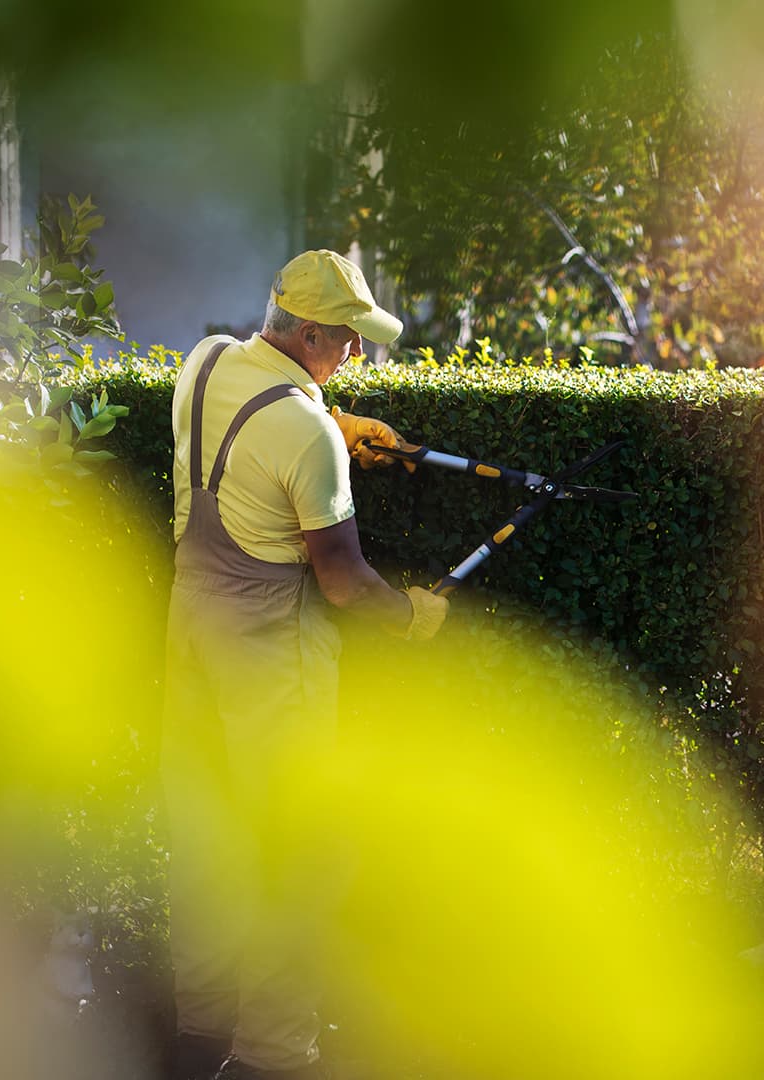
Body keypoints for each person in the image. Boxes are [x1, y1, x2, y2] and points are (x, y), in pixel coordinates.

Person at [161, 250, 449, 1080]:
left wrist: (329, 415)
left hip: (191, 644)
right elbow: (345, 581)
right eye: (350, 339)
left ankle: (198, 1041)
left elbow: (254, 434)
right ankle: (273, 1058)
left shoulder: (205, 361)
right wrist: (415, 618)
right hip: (267, 666)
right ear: (312, 330)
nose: (357, 352)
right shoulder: (306, 434)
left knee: (208, 846)